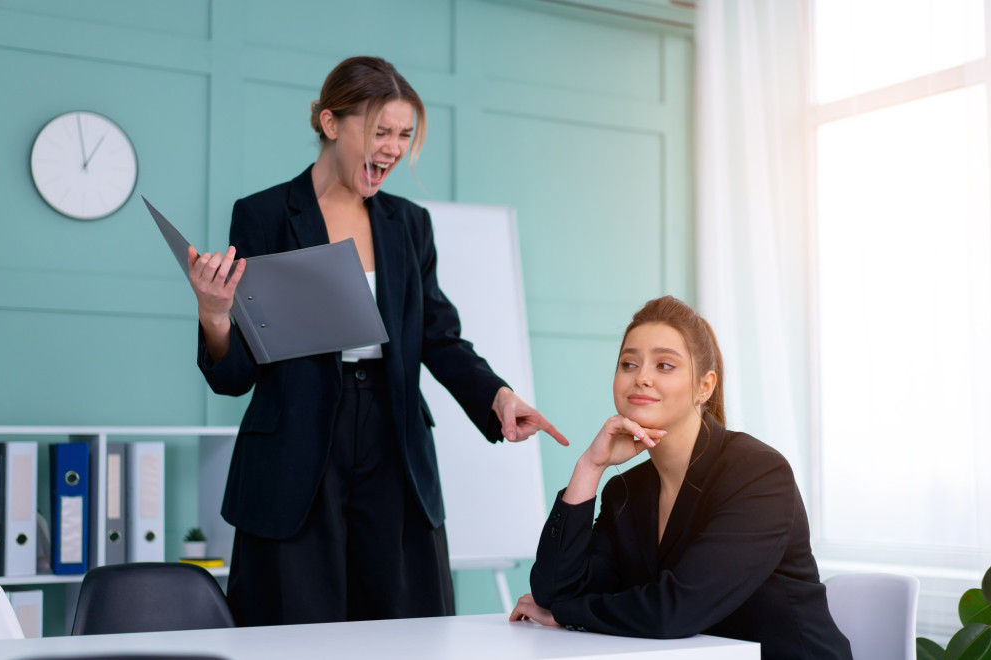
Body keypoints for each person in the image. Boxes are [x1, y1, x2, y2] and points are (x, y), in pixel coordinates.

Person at [187, 56, 568, 626]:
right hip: (294, 447)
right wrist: (215, 314)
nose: (393, 149)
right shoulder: (263, 215)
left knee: (404, 624)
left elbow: (438, 337)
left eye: (404, 135)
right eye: (379, 131)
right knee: (293, 627)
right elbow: (237, 374)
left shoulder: (408, 224)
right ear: (330, 122)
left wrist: (498, 396)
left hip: (394, 445)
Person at [509, 296, 851, 659]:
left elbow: (675, 610)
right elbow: (555, 592)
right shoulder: (625, 491)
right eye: (629, 364)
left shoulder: (759, 475)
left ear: (705, 387)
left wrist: (569, 616)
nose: (641, 377)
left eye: (664, 365)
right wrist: (590, 467)